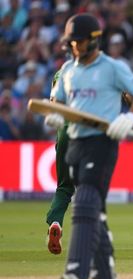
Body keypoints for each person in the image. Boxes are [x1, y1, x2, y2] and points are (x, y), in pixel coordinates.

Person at [44, 13, 133, 279]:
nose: (75, 47)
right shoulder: (67, 70)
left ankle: (77, 270)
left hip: (102, 142)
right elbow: (58, 102)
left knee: (85, 199)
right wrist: (55, 115)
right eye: (72, 43)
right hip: (74, 143)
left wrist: (129, 117)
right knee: (95, 210)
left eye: (79, 42)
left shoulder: (113, 68)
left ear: (94, 40)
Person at [44, 70, 74, 255]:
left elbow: (54, 103)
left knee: (64, 188)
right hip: (86, 134)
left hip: (64, 132)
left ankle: (55, 223)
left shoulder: (60, 74)